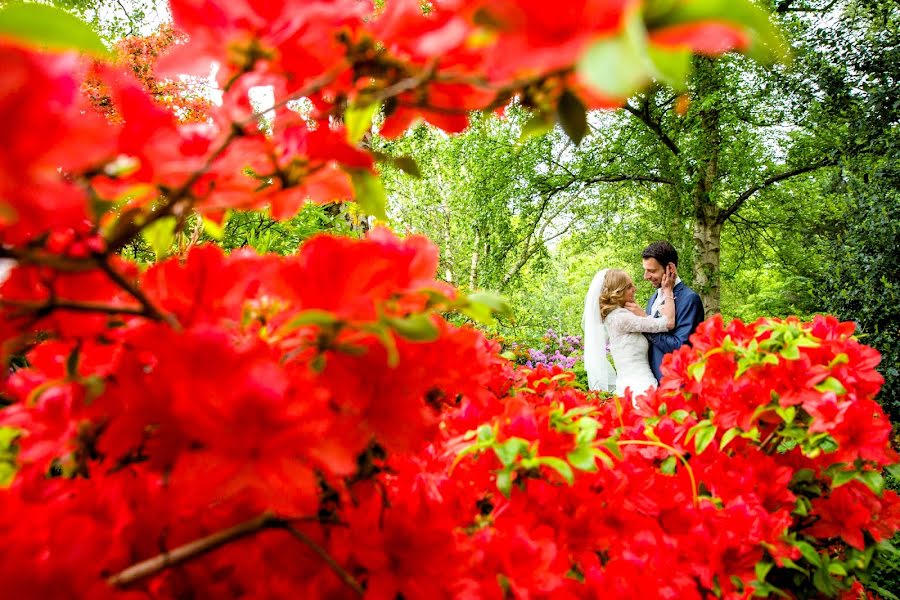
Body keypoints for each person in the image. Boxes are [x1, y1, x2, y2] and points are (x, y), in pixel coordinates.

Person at [582, 268, 676, 399]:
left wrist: (642, 315)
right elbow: (668, 323)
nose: (634, 289)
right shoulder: (621, 318)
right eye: (629, 287)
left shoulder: (617, 316)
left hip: (631, 386)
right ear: (618, 291)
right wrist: (668, 291)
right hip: (640, 388)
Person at [641, 241, 705, 382]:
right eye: (645, 270)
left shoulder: (689, 299)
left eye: (651, 271)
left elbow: (680, 346)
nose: (646, 276)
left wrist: (646, 327)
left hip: (674, 384)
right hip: (650, 383)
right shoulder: (653, 298)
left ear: (670, 268)